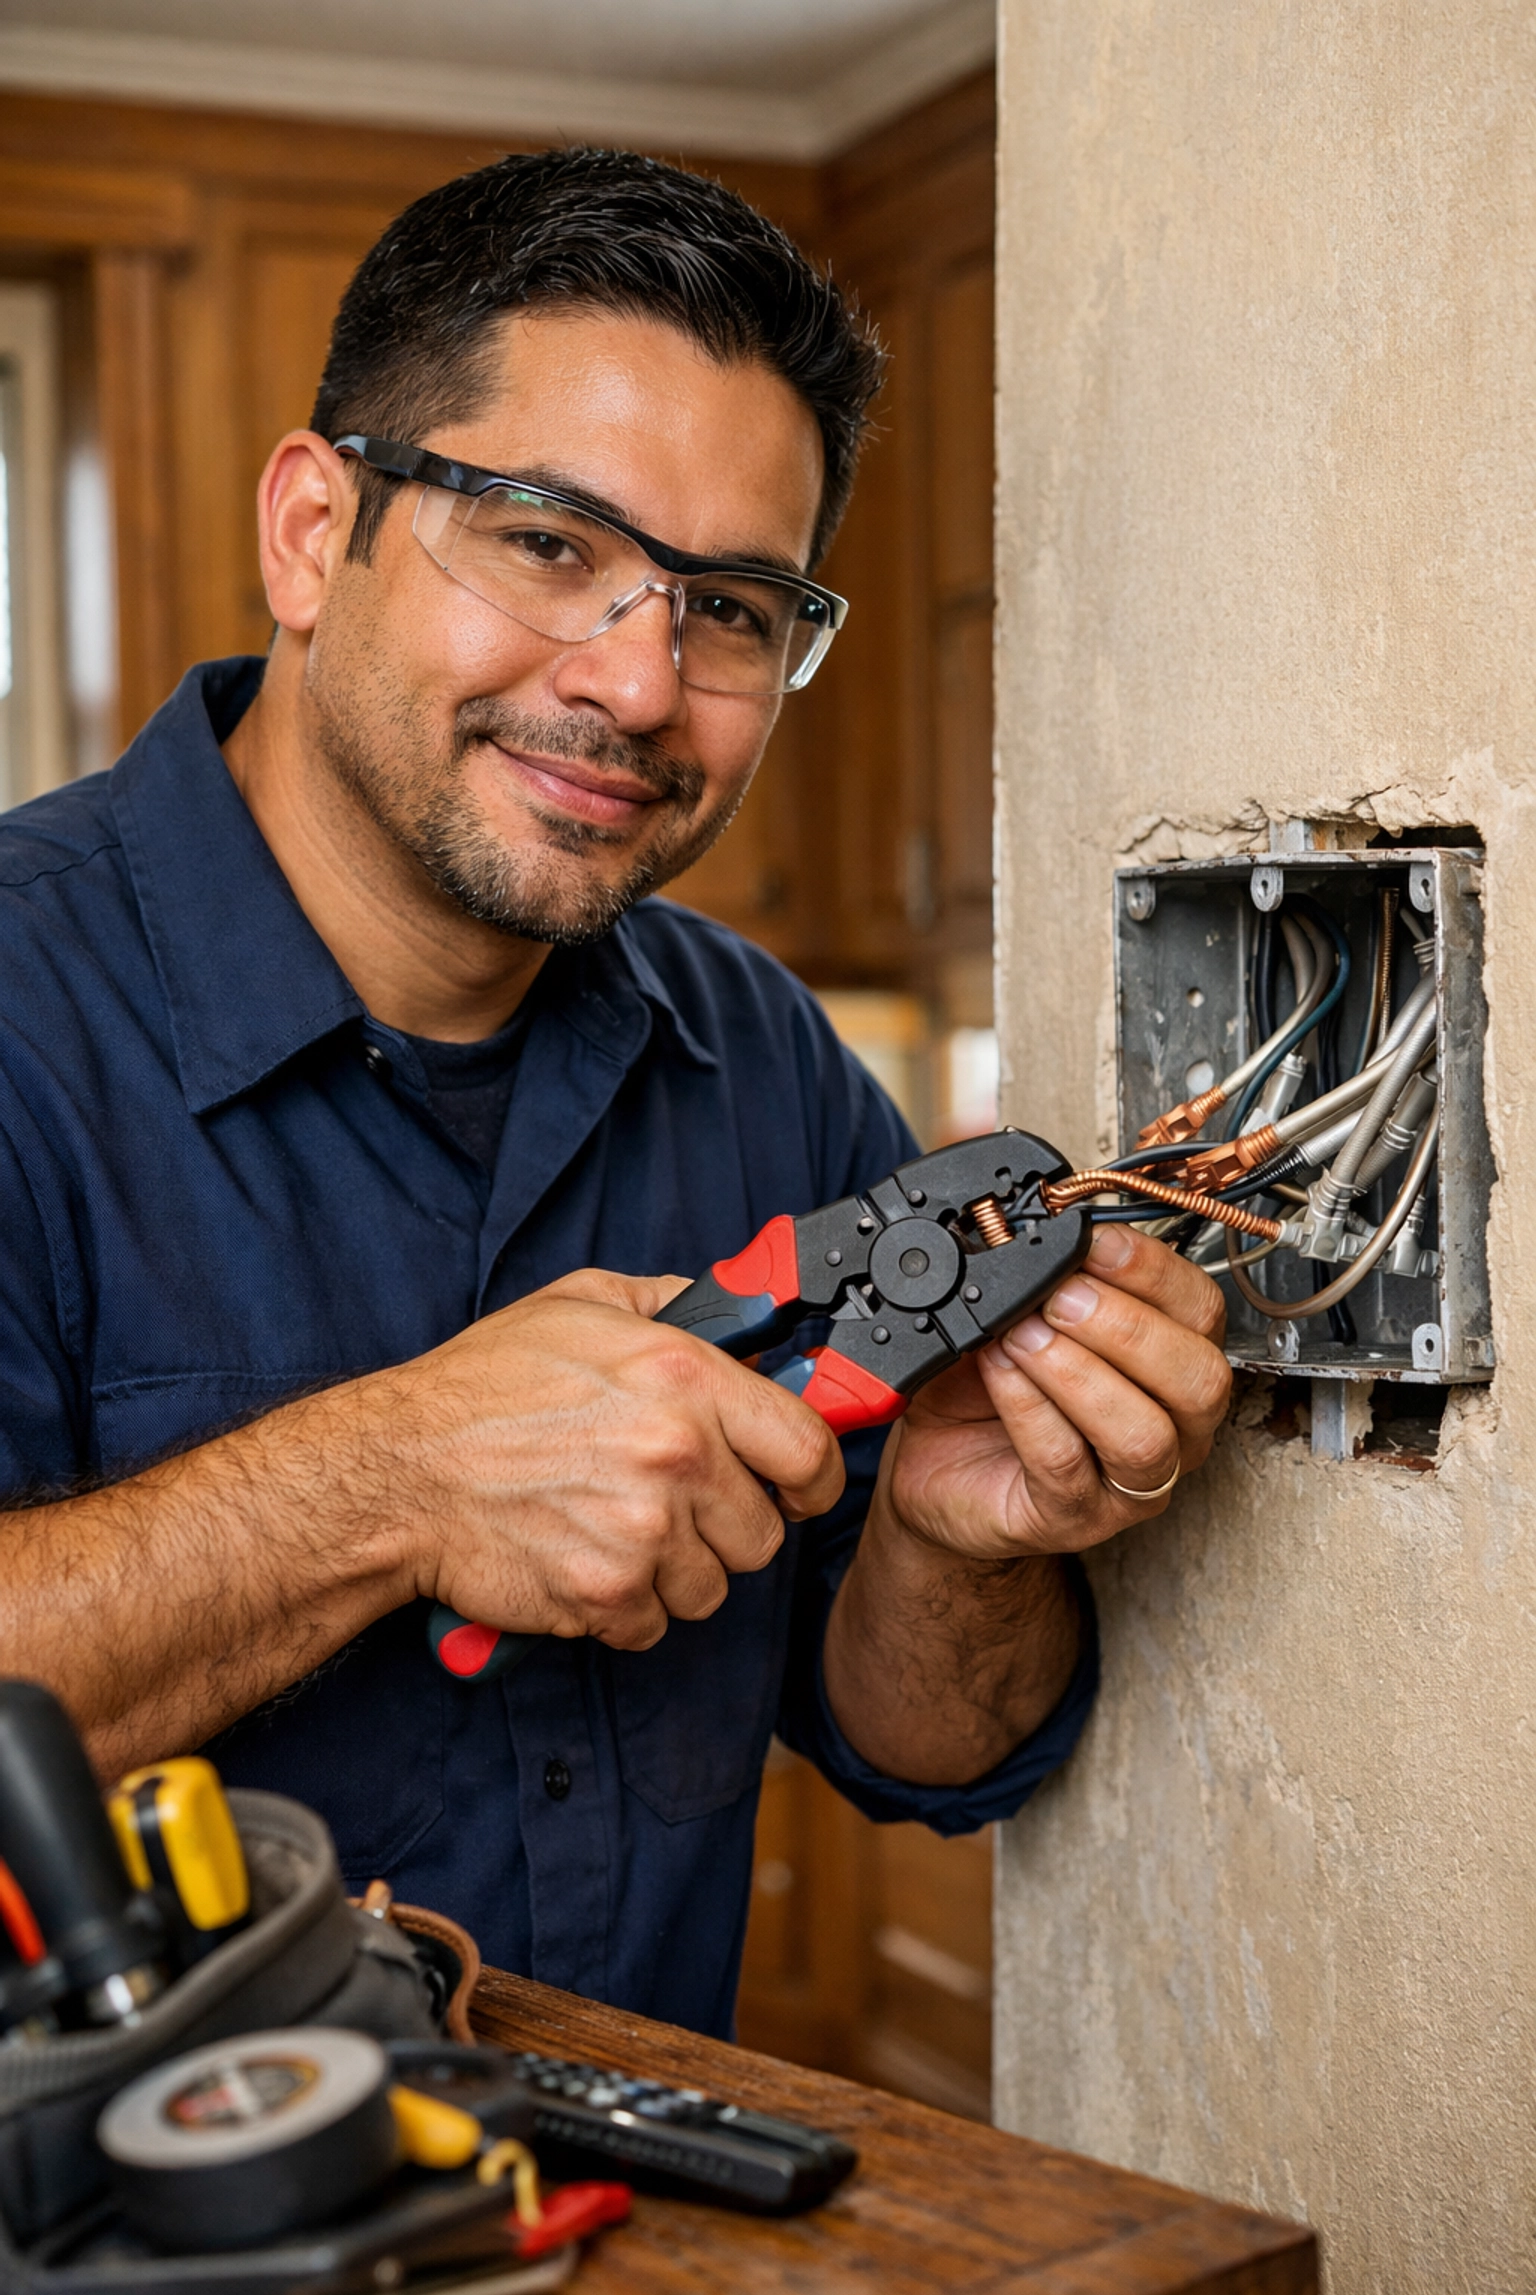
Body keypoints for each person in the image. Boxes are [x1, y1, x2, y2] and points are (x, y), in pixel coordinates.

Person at [0, 150, 1229, 2034]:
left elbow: (924, 1746)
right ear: (315, 532)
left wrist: (953, 1546)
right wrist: (392, 1481)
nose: (644, 685)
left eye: (733, 609)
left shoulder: (765, 1055)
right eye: (549, 544)